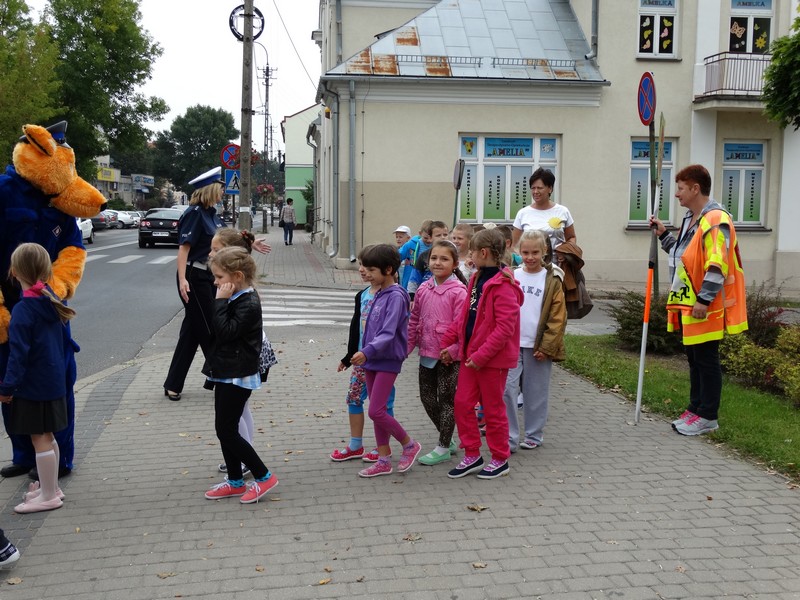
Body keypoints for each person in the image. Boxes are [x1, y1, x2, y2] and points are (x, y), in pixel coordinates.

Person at [650, 164, 747, 436]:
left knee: (706, 359)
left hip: (706, 306)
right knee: (694, 358)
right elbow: (684, 256)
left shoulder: (715, 219)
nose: (677, 194)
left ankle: (708, 416)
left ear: (695, 189)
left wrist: (704, 300)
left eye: (680, 188)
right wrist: (664, 235)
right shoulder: (691, 219)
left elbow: (717, 264)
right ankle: (695, 408)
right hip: (689, 303)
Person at [441, 229, 523, 479]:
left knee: (493, 409)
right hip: (471, 357)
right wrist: (449, 341)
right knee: (462, 403)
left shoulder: (504, 285)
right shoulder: (476, 278)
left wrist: (481, 356)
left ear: (484, 253)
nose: (470, 257)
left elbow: (505, 329)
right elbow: (466, 315)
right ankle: (472, 454)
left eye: (472, 252)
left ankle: (500, 459)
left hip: (491, 361)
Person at [0, 243, 75, 513]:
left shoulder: (24, 309)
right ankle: (51, 488)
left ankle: (48, 496)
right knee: (49, 437)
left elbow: (18, 356)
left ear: (15, 271)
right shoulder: (50, 299)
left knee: (39, 440)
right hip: (52, 379)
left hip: (33, 385)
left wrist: (7, 387)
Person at [202, 247, 278, 503]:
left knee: (226, 431)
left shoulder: (248, 302)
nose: (215, 282)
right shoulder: (237, 297)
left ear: (237, 276)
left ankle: (264, 476)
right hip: (227, 370)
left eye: (219, 277)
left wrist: (220, 302)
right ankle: (235, 481)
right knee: (224, 428)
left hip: (238, 373)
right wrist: (222, 302)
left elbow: (225, 332)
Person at [349, 244, 421, 478]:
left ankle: (409, 444)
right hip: (372, 359)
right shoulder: (379, 292)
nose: (366, 273)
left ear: (388, 269)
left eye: (372, 270)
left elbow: (388, 333)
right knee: (377, 410)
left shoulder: (396, 296)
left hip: (387, 359)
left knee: (376, 411)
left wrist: (366, 351)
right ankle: (383, 460)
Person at [163, 167, 225, 401]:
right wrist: (182, 280)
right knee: (209, 329)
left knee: (192, 332)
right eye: (220, 188)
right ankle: (222, 376)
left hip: (208, 276)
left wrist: (250, 243)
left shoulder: (211, 213)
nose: (222, 192)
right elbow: (184, 249)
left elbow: (223, 242)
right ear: (210, 190)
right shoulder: (194, 213)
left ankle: (173, 384)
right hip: (193, 277)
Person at [330, 248, 397, 463]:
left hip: (381, 361)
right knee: (354, 398)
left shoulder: (391, 296)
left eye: (368, 267)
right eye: (360, 265)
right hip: (361, 359)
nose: (362, 270)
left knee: (383, 405)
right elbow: (355, 327)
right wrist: (348, 357)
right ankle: (355, 445)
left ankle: (383, 448)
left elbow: (391, 332)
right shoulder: (362, 295)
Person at [502, 230, 566, 452]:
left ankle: (533, 434)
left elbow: (557, 317)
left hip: (538, 345)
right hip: (510, 344)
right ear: (519, 251)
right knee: (507, 390)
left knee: (535, 392)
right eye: (526, 252)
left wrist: (547, 346)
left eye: (535, 253)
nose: (530, 257)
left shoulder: (552, 279)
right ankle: (509, 437)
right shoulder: (511, 275)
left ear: (544, 251)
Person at [407, 240, 468, 465]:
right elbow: (414, 320)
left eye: (444, 259)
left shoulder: (459, 292)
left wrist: (453, 350)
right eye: (434, 258)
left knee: (447, 400)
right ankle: (447, 437)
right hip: (427, 352)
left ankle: (443, 446)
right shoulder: (424, 288)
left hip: (449, 358)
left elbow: (463, 327)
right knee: (427, 398)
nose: (437, 263)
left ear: (455, 264)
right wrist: (407, 347)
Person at [512, 167, 576, 253]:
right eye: (533, 188)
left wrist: (566, 252)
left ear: (550, 189)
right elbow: (514, 245)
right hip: (530, 261)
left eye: (539, 188)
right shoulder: (523, 213)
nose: (535, 191)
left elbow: (571, 237)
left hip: (557, 260)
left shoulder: (563, 211)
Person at [409, 220, 450, 300]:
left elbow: (458, 275)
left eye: (445, 234)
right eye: (438, 235)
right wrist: (412, 297)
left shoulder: (452, 256)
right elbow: (414, 278)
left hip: (446, 295)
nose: (443, 237)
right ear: (430, 238)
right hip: (426, 295)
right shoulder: (423, 256)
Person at [398, 220, 432, 291]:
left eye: (431, 238)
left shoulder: (436, 246)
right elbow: (397, 256)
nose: (429, 240)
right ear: (420, 233)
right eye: (426, 238)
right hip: (411, 279)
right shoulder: (411, 244)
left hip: (428, 280)